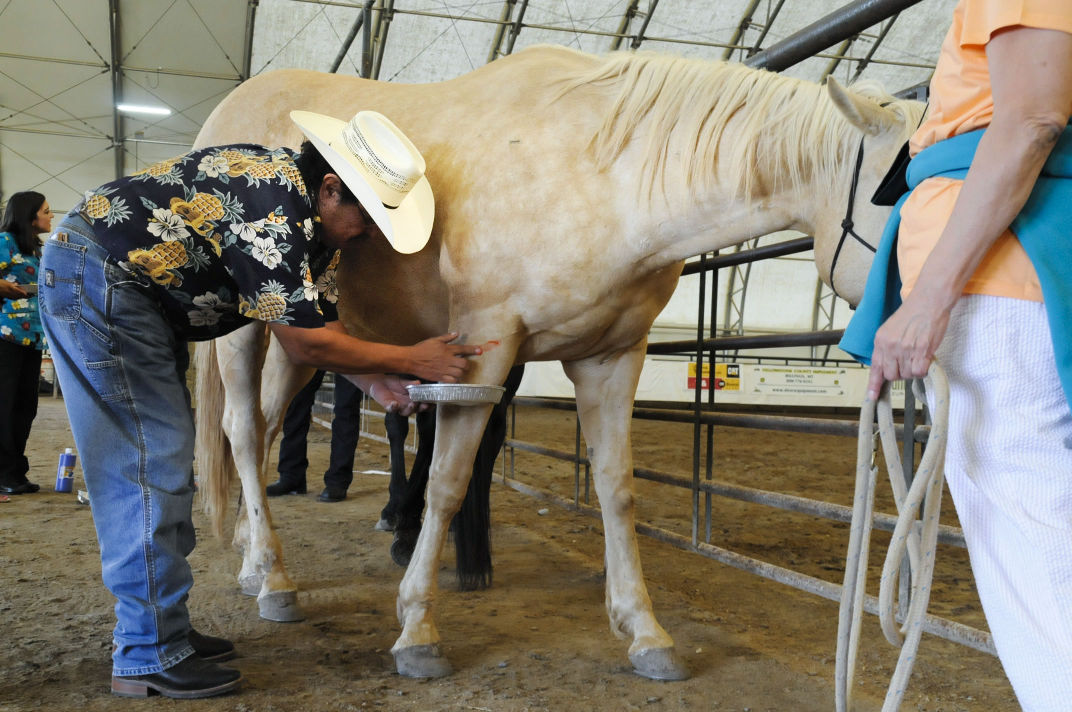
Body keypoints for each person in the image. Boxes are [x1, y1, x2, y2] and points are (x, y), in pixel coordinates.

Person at [38, 110, 481, 699]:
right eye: (367, 217)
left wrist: (376, 381)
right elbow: (301, 341)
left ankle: (161, 631)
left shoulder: (313, 234)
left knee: (162, 460)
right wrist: (412, 360)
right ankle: (146, 652)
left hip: (133, 292)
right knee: (150, 462)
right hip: (104, 281)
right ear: (329, 188)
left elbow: (323, 323)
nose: (370, 234)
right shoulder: (271, 204)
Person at [841, 2, 1072, 709]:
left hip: (1004, 274)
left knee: (1028, 529)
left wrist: (928, 298)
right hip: (1032, 270)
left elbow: (1031, 118)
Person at [0, 191, 52, 495]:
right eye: (46, 211)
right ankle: (5, 473)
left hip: (32, 338)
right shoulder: (4, 241)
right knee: (5, 407)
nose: (50, 215)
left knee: (25, 408)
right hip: (6, 336)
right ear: (30, 216)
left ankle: (15, 471)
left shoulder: (35, 249)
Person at [267, 369, 363, 502]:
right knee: (297, 397)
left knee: (346, 406)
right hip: (320, 348)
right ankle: (291, 475)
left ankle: (338, 481)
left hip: (353, 349)